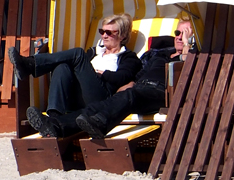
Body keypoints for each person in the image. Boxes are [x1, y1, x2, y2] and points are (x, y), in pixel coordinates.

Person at [24, 20, 195, 141]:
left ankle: (101, 124)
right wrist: (129, 85)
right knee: (96, 108)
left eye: (185, 34)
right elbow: (138, 73)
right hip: (139, 89)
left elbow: (189, 68)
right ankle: (56, 125)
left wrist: (189, 45)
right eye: (178, 33)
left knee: (127, 98)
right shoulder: (157, 54)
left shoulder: (193, 56)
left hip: (162, 92)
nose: (180, 37)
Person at [8, 13, 142, 117]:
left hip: (101, 98)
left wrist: (102, 74)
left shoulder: (128, 57)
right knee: (62, 67)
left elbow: (123, 77)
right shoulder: (94, 52)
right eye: (102, 32)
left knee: (78, 53)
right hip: (78, 97)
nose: (104, 36)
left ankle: (30, 64)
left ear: (123, 36)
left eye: (109, 32)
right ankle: (54, 115)